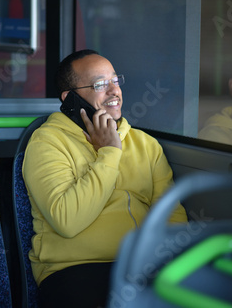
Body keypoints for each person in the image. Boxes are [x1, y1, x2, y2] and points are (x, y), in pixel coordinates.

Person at [22, 49, 187, 307]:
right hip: (77, 269)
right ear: (70, 98)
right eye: (100, 84)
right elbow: (67, 220)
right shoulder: (47, 142)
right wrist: (109, 153)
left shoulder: (146, 144)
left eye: (115, 80)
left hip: (145, 265)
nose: (114, 91)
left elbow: (172, 216)